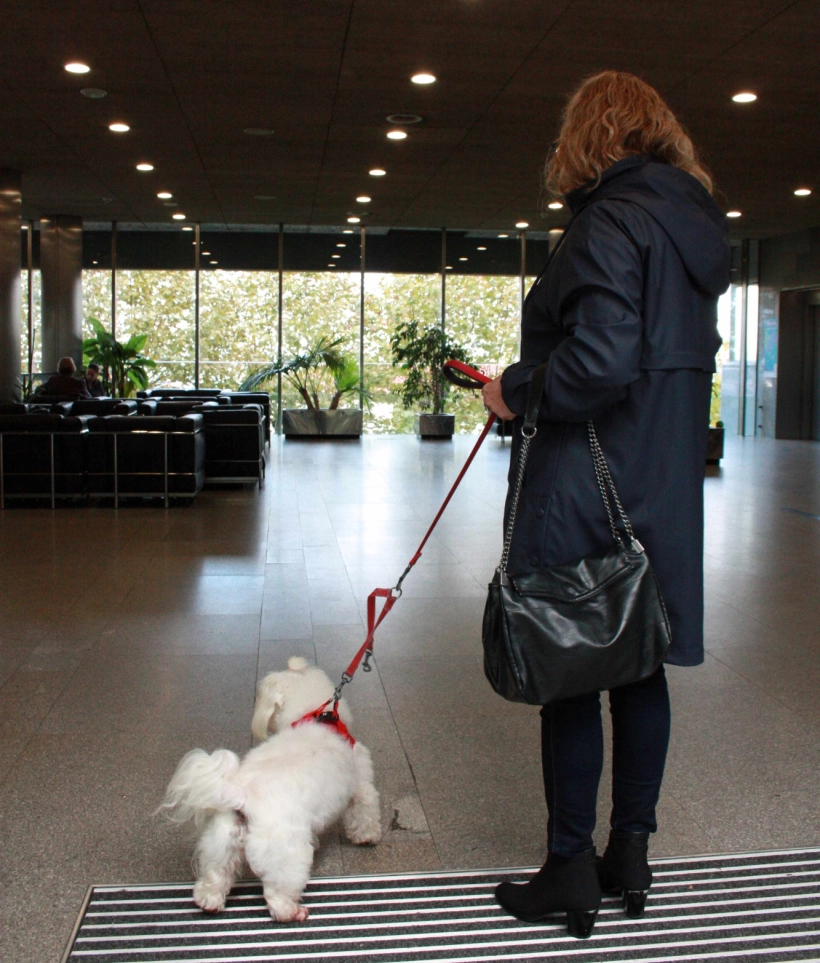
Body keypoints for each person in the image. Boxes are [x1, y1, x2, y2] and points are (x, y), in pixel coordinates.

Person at [481, 71, 730, 939]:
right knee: (641, 664)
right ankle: (631, 852)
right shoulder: (693, 229)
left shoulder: (606, 223)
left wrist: (514, 387)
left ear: (589, 136)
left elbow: (597, 363)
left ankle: (568, 868)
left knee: (573, 670)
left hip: (590, 487)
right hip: (662, 487)